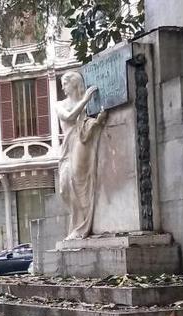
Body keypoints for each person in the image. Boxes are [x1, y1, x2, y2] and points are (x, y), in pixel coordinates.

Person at [56, 70, 108, 240]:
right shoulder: (60, 104)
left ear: (74, 83)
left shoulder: (86, 108)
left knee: (79, 182)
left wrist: (97, 121)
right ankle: (78, 224)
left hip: (81, 141)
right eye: (62, 83)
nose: (63, 87)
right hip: (66, 147)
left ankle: (83, 225)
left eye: (65, 83)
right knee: (65, 187)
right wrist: (85, 100)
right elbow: (69, 116)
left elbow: (86, 123)